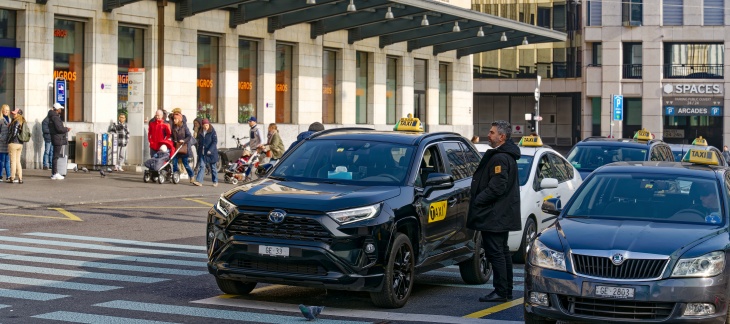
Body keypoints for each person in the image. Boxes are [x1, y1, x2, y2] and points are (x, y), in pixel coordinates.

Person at [467, 120, 522, 303]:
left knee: (496, 252)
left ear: (502, 137)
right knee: (502, 251)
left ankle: (501, 291)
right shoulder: (506, 155)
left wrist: (477, 200)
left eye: (491, 133)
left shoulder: (500, 158)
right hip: (500, 214)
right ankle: (505, 290)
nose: (488, 135)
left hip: (495, 215)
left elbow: (497, 187)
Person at [170, 110, 195, 183]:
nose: (174, 120)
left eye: (175, 119)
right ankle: (175, 176)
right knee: (174, 163)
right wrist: (171, 139)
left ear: (179, 119)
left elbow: (189, 136)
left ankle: (192, 176)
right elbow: (171, 136)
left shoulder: (184, 127)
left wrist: (183, 141)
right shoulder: (173, 127)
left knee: (186, 164)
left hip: (183, 148)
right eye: (174, 119)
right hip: (176, 147)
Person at [49, 103, 70, 180]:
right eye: (60, 109)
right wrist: (66, 129)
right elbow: (59, 129)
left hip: (55, 138)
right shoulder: (55, 117)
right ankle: (55, 173)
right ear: (57, 109)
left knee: (55, 156)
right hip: (58, 138)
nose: (61, 110)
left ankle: (54, 173)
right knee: (55, 156)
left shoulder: (52, 117)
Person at [195, 119, 219, 187]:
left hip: (211, 153)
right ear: (202, 125)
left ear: (209, 124)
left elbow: (215, 142)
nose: (206, 127)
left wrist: (210, 150)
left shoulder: (212, 131)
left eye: (207, 125)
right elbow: (199, 142)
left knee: (213, 167)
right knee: (202, 166)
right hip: (203, 152)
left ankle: (215, 181)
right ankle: (199, 181)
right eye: (204, 125)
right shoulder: (201, 132)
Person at [6, 108, 27, 184]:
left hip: (13, 143)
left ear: (18, 114)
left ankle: (12, 177)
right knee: (18, 161)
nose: (13, 115)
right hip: (20, 144)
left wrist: (8, 141)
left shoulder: (16, 122)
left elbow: (14, 133)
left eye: (15, 113)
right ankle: (20, 178)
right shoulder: (23, 121)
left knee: (13, 161)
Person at [41, 103, 61, 170]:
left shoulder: (52, 119)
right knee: (47, 151)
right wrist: (51, 131)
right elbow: (45, 129)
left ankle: (51, 164)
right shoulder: (45, 120)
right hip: (48, 138)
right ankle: (45, 164)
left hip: (52, 137)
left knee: (52, 151)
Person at [0, 104, 11, 181]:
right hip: (1, 142)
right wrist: (1, 137)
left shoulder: (10, 119)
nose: (6, 111)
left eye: (8, 110)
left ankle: (8, 176)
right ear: (2, 110)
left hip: (8, 143)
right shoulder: (1, 120)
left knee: (7, 160)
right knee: (1, 160)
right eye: (5, 110)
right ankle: (0, 175)